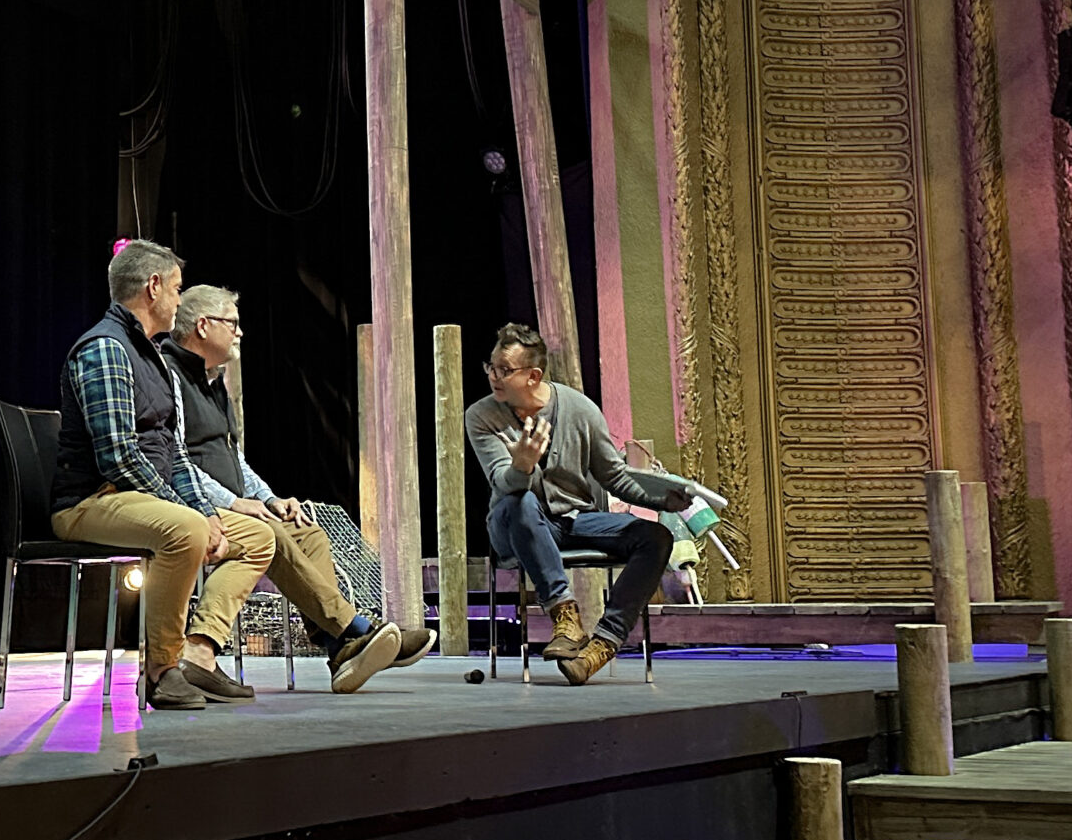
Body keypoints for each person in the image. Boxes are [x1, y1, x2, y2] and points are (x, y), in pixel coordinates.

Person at [50, 240, 276, 711]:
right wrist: (193, 515)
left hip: (139, 497)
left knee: (257, 538)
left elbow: (174, 455)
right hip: (91, 500)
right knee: (186, 529)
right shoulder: (105, 349)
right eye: (175, 289)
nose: (179, 299)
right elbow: (118, 457)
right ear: (153, 288)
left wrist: (204, 508)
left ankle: (200, 652)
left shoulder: (152, 357)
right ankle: (160, 669)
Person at [161, 284, 413, 693]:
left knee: (307, 532)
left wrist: (269, 498)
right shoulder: (169, 376)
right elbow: (176, 462)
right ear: (203, 326)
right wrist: (235, 503)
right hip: (195, 506)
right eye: (233, 324)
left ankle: (340, 649)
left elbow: (235, 460)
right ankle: (353, 630)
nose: (240, 333)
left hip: (235, 506)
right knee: (271, 535)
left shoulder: (213, 382)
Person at [464, 323, 690, 685]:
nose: (494, 376)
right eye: (491, 367)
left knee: (656, 537)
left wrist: (663, 499)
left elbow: (614, 477)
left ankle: (603, 642)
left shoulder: (580, 410)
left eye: (504, 370)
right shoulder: (482, 415)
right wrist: (522, 465)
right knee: (520, 501)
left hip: (574, 521)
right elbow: (501, 482)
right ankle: (564, 615)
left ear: (533, 375)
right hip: (514, 527)